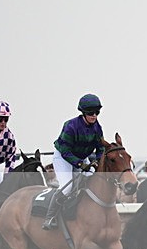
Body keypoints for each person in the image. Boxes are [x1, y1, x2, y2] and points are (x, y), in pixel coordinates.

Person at [43, 94, 105, 230]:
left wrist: (96, 161)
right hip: (63, 157)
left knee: (91, 179)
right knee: (67, 187)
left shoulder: (97, 128)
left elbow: (101, 149)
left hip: (82, 157)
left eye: (97, 112)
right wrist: (80, 164)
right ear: (83, 112)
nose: (94, 116)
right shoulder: (70, 126)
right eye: (91, 113)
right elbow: (65, 151)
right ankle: (50, 217)